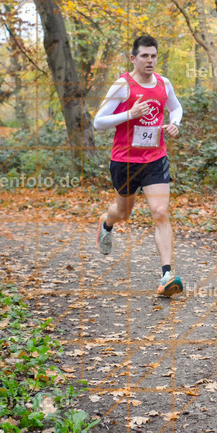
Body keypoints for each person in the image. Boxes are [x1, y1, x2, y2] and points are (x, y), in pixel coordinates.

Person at [93, 34, 184, 297]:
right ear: (133, 58)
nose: (150, 60)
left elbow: (176, 108)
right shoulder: (122, 85)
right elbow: (99, 122)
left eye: (153, 56)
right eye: (144, 56)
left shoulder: (164, 83)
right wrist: (129, 114)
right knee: (124, 213)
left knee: (160, 212)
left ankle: (166, 275)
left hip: (155, 158)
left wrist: (175, 124)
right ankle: (107, 222)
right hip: (125, 161)